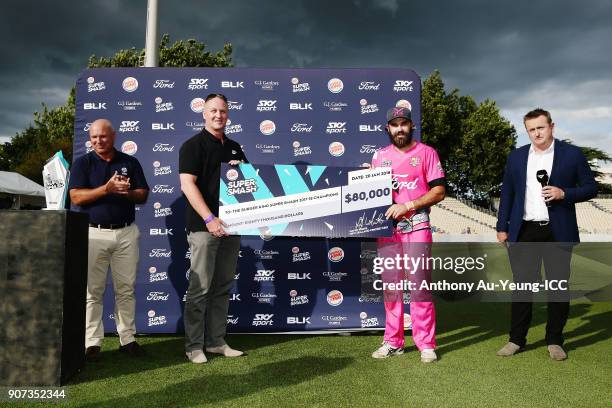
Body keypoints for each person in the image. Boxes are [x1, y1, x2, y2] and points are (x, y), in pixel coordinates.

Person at [496, 108, 597, 361]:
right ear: (527, 131)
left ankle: (555, 340)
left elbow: (591, 187)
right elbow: (507, 192)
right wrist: (501, 226)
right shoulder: (517, 157)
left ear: (552, 126)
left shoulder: (572, 154)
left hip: (558, 231)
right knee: (522, 287)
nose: (537, 133)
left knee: (558, 286)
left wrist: (565, 194)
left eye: (541, 127)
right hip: (525, 229)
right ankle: (516, 339)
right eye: (531, 129)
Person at [69, 118, 149, 361]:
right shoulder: (83, 163)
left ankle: (127, 338)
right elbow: (76, 197)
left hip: (126, 232)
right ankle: (92, 342)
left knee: (125, 289)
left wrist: (126, 191)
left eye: (102, 136)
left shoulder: (129, 162)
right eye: (93, 137)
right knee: (92, 291)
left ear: (113, 136)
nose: (97, 141)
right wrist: (106, 189)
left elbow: (143, 194)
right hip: (94, 233)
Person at [370, 106, 446, 363]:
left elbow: (439, 192)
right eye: (394, 124)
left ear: (411, 126)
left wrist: (409, 205)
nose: (399, 128)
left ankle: (425, 343)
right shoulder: (379, 157)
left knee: (419, 287)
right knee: (392, 288)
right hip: (388, 231)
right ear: (387, 129)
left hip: (418, 227)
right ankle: (393, 342)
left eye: (404, 123)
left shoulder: (427, 153)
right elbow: (373, 195)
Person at [179, 93, 247, 364]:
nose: (219, 115)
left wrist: (242, 170)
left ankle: (216, 342)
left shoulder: (234, 147)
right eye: (213, 111)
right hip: (204, 228)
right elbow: (187, 185)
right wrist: (210, 219)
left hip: (232, 227)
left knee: (222, 287)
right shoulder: (192, 146)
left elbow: (249, 184)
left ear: (228, 114)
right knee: (201, 288)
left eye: (223, 111)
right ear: (203, 113)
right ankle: (194, 346)